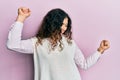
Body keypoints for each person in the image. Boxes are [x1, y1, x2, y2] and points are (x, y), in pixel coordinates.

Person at [6, 7, 110, 80]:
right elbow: (12, 45)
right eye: (61, 24)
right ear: (52, 23)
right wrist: (21, 18)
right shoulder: (37, 43)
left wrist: (100, 50)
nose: (64, 28)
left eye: (66, 25)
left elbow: (84, 64)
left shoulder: (70, 44)